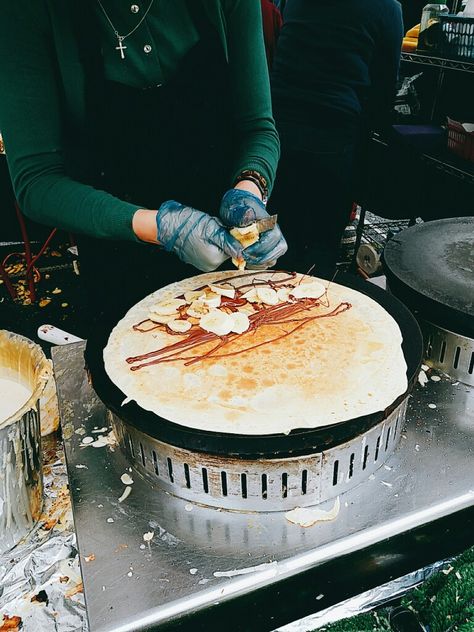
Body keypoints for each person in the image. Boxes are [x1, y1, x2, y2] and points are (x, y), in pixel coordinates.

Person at [0, 1, 286, 326]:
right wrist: (159, 228)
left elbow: (257, 127)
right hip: (119, 265)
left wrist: (249, 190)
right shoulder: (26, 10)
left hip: (231, 263)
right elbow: (37, 181)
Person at [269, 0, 404, 278]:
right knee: (321, 245)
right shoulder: (387, 8)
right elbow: (385, 88)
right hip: (334, 134)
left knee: (277, 239)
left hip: (280, 132)